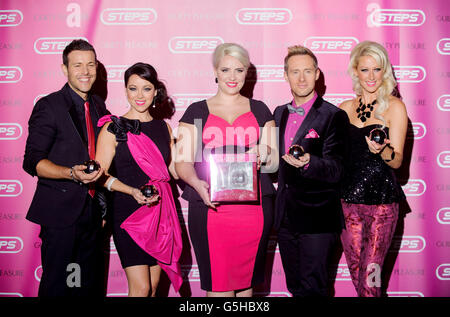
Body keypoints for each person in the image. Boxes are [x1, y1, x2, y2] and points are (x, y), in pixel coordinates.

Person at [175, 43, 278, 297]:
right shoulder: (196, 111)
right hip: (210, 207)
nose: (232, 77)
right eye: (226, 69)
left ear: (246, 73)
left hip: (254, 209)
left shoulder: (260, 109)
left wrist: (264, 152)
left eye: (239, 70)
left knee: (246, 290)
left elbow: (274, 163)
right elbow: (181, 163)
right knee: (219, 287)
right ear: (216, 72)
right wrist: (197, 185)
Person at [23, 39, 109, 296]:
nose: (85, 71)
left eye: (90, 65)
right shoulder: (49, 106)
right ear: (64, 69)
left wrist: (103, 205)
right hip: (60, 214)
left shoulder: (98, 106)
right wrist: (70, 173)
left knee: (88, 288)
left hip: (92, 214)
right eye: (78, 65)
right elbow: (32, 161)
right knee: (59, 287)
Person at [95, 62, 183, 297]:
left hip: (160, 211)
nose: (140, 95)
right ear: (125, 91)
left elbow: (174, 171)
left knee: (154, 288)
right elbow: (99, 176)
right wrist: (132, 191)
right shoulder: (113, 128)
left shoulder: (163, 127)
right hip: (128, 213)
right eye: (133, 88)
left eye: (146, 88)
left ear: (155, 91)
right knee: (141, 288)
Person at [273, 45, 349, 297]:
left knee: (314, 289)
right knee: (294, 286)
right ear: (286, 76)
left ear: (317, 74)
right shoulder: (279, 112)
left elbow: (337, 169)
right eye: (295, 72)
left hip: (318, 217)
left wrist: (308, 162)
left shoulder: (333, 115)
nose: (302, 78)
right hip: (285, 217)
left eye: (308, 71)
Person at [339, 41, 407, 297]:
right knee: (358, 274)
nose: (371, 76)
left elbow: (397, 160)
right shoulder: (344, 109)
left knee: (371, 277)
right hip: (347, 205)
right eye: (365, 70)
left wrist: (382, 151)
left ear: (385, 71)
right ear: (355, 71)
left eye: (377, 69)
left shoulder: (394, 107)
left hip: (382, 204)